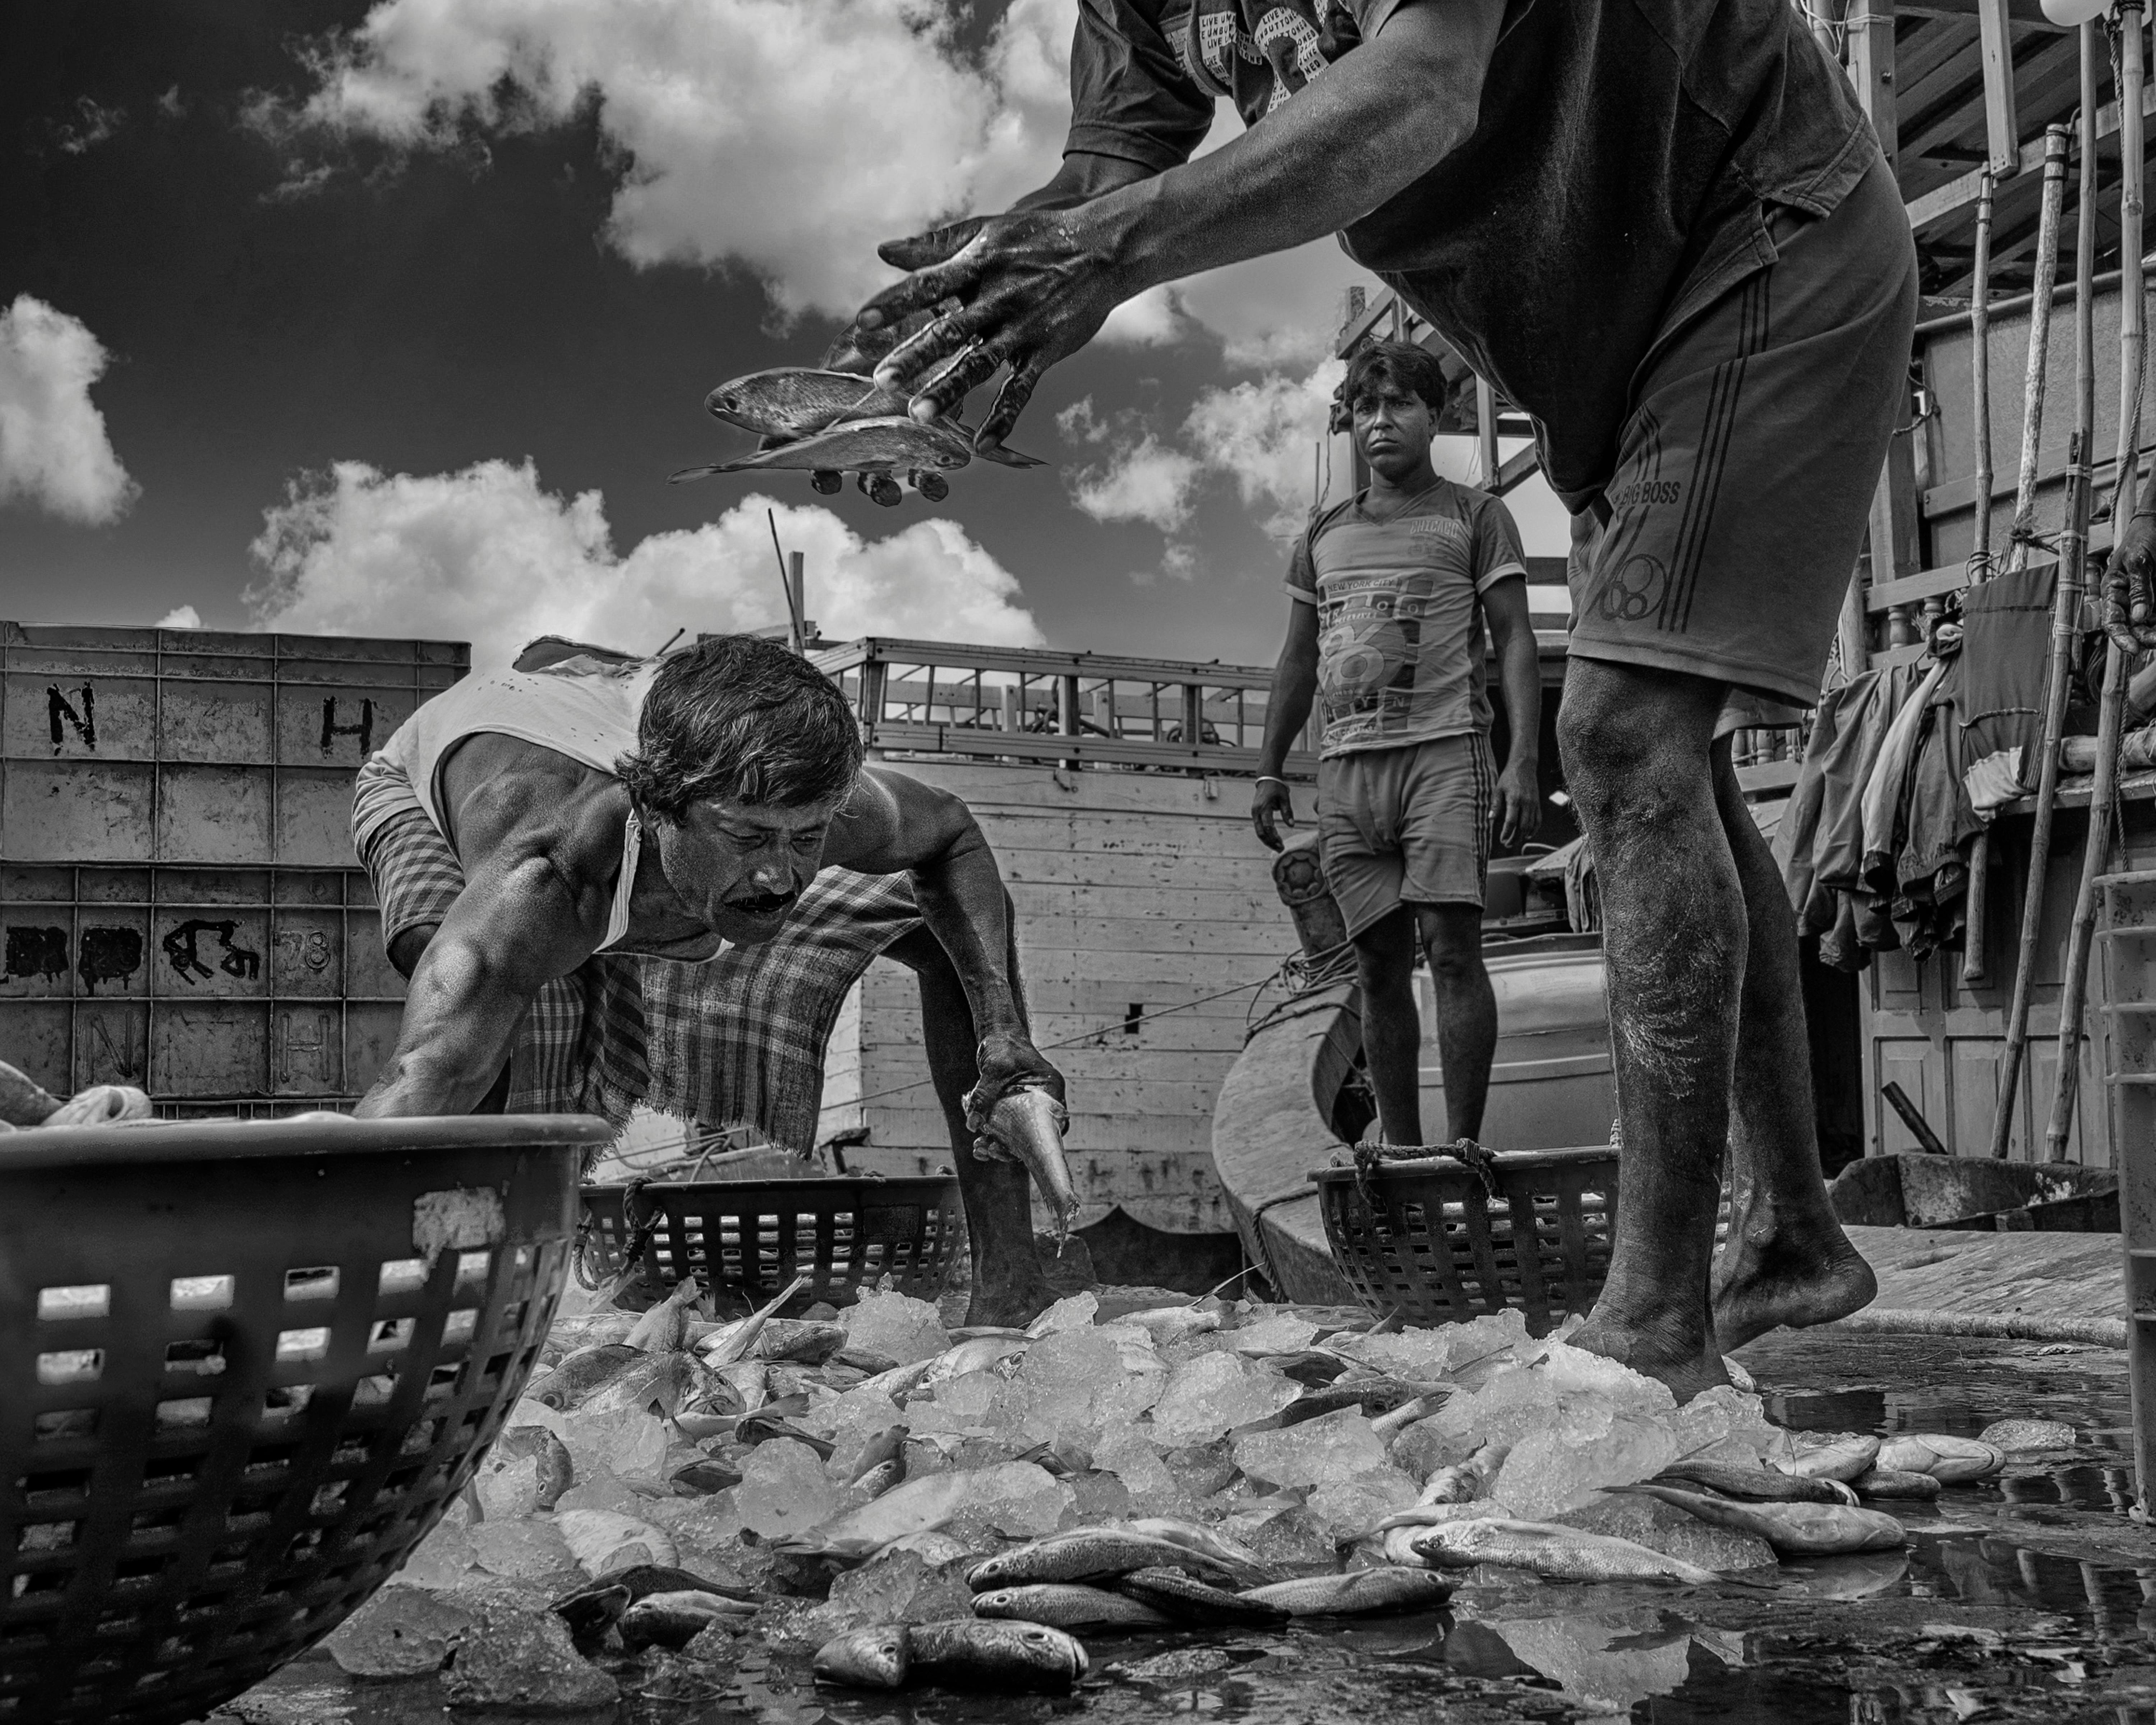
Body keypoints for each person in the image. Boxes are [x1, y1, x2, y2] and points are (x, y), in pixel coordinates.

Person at [841, 0, 1915, 1395]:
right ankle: (1789, 1233)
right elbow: (1106, 186)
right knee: (1675, 767)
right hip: (1601, 346)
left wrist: (1096, 254)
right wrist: (992, 314)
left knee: (1624, 740)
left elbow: (1422, 88)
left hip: (1759, 229)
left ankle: (1657, 1318)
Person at [349, 632, 1068, 1325]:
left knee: (947, 928)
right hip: (422, 781)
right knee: (470, 1000)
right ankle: (475, 1305)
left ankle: (1012, 1287)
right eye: (749, 838)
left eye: (806, 839)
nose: (781, 876)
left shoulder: (802, 805)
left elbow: (952, 833)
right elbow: (426, 1074)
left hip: (630, 729)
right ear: (657, 807)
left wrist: (1002, 1034)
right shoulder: (544, 879)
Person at [1250, 340, 1540, 1151]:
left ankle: (1463, 1145)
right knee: (1377, 969)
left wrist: (1523, 759)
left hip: (1444, 755)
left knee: (1452, 954)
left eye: (1400, 405)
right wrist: (1271, 766)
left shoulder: (1476, 516)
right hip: (1347, 772)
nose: (1381, 423)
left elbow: (1515, 638)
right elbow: (1300, 656)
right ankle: (1405, 1151)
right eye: (1366, 409)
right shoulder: (1323, 533)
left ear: (1436, 417)